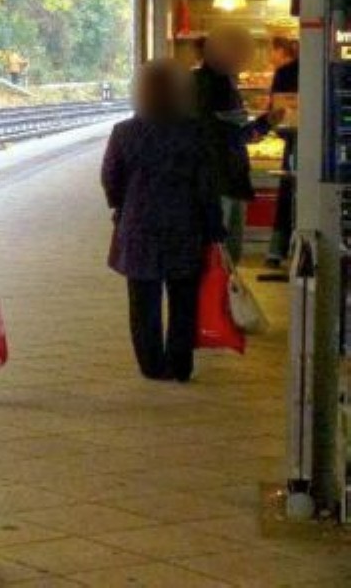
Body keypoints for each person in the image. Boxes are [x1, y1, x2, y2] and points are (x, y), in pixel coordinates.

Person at [102, 60, 224, 382]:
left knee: (143, 301)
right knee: (184, 300)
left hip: (139, 227)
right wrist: (214, 228)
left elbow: (111, 178)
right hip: (185, 226)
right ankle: (180, 364)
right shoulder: (195, 132)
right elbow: (207, 186)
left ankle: (151, 365)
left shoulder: (124, 132)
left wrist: (122, 205)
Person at [192, 26, 278, 264]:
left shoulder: (207, 83)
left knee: (221, 254)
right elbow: (231, 136)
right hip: (222, 180)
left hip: (221, 179)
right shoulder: (216, 88)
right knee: (221, 255)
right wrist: (265, 123)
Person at [266, 36, 299, 272]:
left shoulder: (285, 73)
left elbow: (277, 115)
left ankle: (277, 251)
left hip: (295, 141)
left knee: (288, 195)